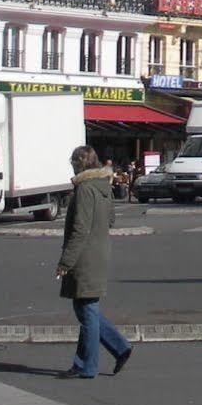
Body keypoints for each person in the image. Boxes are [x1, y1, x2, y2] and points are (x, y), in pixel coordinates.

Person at [55, 146, 133, 380]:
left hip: (84, 256)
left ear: (79, 164)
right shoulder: (103, 187)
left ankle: (91, 363)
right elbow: (110, 220)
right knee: (87, 308)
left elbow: (80, 229)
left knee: (86, 309)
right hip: (99, 251)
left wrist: (65, 262)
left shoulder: (84, 189)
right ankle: (107, 352)